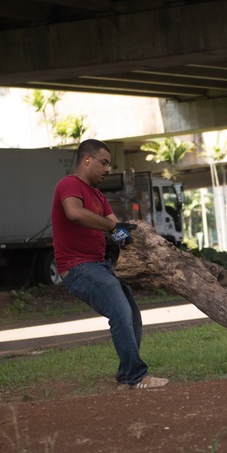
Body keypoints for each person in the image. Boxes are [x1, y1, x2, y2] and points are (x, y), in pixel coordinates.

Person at [51, 138, 169, 390]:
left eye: (109, 165)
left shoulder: (98, 197)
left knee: (133, 316)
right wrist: (112, 226)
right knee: (120, 312)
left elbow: (117, 229)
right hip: (77, 267)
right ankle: (137, 376)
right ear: (86, 160)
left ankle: (126, 376)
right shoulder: (69, 184)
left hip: (99, 265)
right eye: (103, 163)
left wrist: (130, 238)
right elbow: (74, 213)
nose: (107, 169)